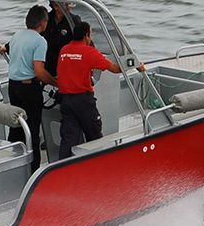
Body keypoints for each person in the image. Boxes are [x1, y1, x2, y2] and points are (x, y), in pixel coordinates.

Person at [56, 21, 145, 159]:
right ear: (86, 36)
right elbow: (115, 69)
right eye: (91, 34)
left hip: (66, 101)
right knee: (95, 137)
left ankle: (62, 168)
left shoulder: (64, 50)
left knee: (68, 139)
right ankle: (99, 164)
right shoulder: (89, 52)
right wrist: (136, 64)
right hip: (83, 102)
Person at [0, 5, 58, 174]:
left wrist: (4, 48)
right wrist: (56, 83)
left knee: (16, 127)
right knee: (32, 129)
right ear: (43, 23)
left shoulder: (17, 36)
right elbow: (39, 71)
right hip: (29, 88)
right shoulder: (40, 41)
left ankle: (12, 167)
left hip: (13, 86)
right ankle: (33, 171)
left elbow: (7, 47)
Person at [41, 0, 81, 76]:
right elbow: (37, 36)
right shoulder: (46, 19)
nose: (69, 7)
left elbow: (83, 39)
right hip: (47, 60)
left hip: (65, 61)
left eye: (69, 4)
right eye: (66, 4)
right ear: (55, 6)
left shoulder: (74, 20)